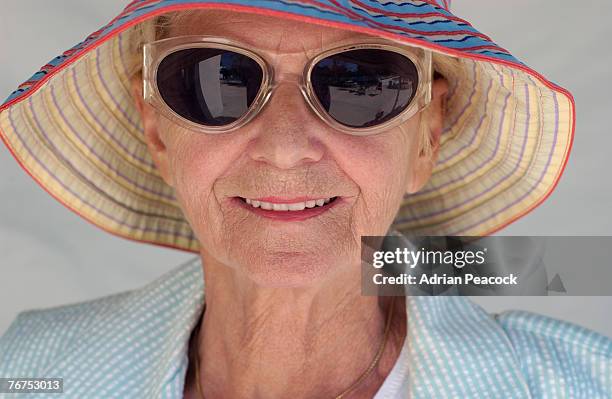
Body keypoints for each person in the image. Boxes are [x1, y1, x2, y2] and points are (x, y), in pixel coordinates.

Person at [0, 1, 609, 398]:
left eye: (358, 82)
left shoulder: (584, 384)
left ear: (427, 134)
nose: (286, 149)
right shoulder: (31, 372)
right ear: (157, 130)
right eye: (221, 79)